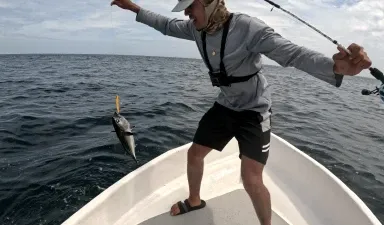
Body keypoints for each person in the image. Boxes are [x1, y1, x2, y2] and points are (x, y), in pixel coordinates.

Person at [111, 0, 372, 224]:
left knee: (251, 178)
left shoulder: (248, 28)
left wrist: (336, 68)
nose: (186, 13)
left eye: (190, 6)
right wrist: (132, 6)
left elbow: (293, 54)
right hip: (225, 104)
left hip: (254, 110)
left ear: (210, 3)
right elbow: (165, 25)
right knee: (194, 154)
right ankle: (195, 200)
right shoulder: (196, 29)